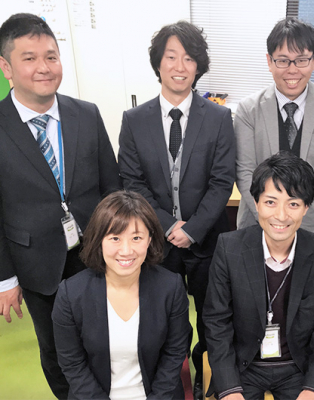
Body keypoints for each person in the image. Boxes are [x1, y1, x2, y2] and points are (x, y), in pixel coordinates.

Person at [0, 13, 120, 398]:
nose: (44, 67)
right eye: (30, 58)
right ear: (6, 67)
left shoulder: (86, 114)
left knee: (103, 336)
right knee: (56, 348)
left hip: (93, 254)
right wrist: (5, 279)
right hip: (35, 262)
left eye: (51, 56)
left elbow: (111, 188)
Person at [117, 20, 236, 399]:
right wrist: (169, 226)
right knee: (162, 318)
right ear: (158, 63)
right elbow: (132, 183)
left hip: (207, 242)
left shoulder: (219, 118)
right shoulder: (134, 120)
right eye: (171, 57)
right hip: (155, 243)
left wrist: (193, 229)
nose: (179, 66)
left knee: (213, 318)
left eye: (188, 58)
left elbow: (222, 181)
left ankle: (207, 376)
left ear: (199, 66)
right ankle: (170, 382)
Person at [204, 151, 314, 400]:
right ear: (256, 202)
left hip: (297, 367)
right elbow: (217, 323)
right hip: (244, 366)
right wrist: (229, 389)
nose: (281, 215)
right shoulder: (229, 248)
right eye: (270, 202)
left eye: (293, 204)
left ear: (306, 207)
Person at [52, 191, 191, 399]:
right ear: (99, 240)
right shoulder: (71, 294)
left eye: (136, 238)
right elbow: (72, 364)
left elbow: (174, 354)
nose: (126, 250)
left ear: (149, 240)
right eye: (115, 238)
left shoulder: (171, 287)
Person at [235, 17, 314, 240]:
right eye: (283, 61)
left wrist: (300, 225)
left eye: (301, 60)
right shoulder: (248, 109)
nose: (292, 70)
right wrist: (272, 223)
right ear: (269, 61)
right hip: (258, 227)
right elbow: (244, 171)